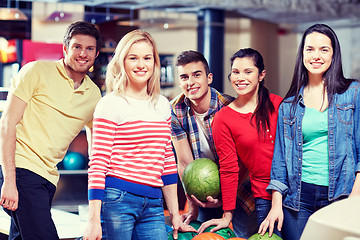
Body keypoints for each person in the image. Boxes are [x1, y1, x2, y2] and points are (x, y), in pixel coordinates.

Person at [83, 29, 194, 240]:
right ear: (122, 62)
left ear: (154, 63)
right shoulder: (110, 104)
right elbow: (98, 163)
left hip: (153, 202)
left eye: (147, 58)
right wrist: (93, 220)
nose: (141, 65)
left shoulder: (162, 105)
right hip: (117, 199)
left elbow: (167, 161)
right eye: (133, 58)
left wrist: (175, 215)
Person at [0, 21, 102, 240]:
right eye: (77, 47)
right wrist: (9, 180)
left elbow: (97, 150)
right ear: (65, 49)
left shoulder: (93, 95)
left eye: (89, 49)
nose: (83, 53)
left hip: (48, 178)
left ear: (96, 54)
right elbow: (7, 124)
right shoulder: (36, 71)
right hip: (21, 169)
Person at [259, 23, 360, 240]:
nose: (316, 56)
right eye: (310, 49)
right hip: (298, 201)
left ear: (334, 54)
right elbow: (279, 163)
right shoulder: (289, 106)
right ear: (302, 53)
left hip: (342, 195)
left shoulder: (352, 93)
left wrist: (355, 197)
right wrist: (276, 205)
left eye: (324, 49)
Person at [170, 50, 258, 238]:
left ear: (209, 78)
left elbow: (245, 161)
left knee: (244, 237)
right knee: (206, 236)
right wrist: (192, 204)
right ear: (179, 82)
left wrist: (225, 200)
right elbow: (185, 163)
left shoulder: (230, 106)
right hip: (205, 193)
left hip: (242, 187)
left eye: (197, 75)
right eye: (184, 77)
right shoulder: (175, 111)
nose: (190, 82)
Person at [202, 48, 283, 237]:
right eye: (236, 72)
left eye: (248, 71)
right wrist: (227, 214)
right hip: (263, 196)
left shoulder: (278, 104)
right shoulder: (223, 118)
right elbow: (229, 168)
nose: (240, 77)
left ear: (261, 75)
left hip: (295, 194)